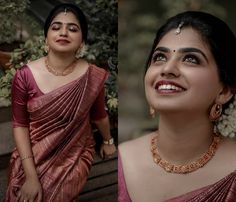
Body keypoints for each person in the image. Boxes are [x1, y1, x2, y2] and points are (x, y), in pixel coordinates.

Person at [118, 11, 236, 202]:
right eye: (159, 57)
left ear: (224, 91)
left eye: (191, 59)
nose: (167, 69)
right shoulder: (122, 159)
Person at [5, 3, 116, 201]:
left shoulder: (92, 76)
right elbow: (20, 125)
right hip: (32, 152)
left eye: (72, 29)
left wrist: (108, 142)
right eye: (56, 27)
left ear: (82, 41)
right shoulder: (24, 76)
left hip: (73, 154)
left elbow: (99, 116)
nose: (63, 32)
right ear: (46, 37)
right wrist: (31, 177)